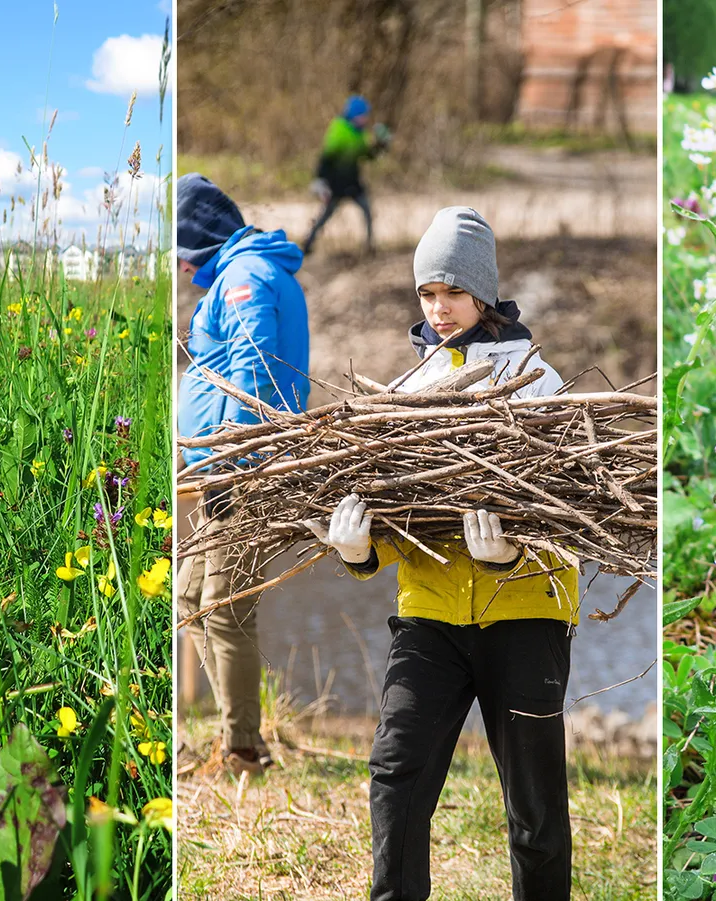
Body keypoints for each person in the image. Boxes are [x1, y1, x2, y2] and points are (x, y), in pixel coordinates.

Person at [305, 207, 576, 901]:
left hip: (526, 616)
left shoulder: (538, 385)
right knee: (396, 776)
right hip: (429, 617)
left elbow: (576, 520)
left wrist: (512, 554)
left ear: (483, 292)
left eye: (452, 291)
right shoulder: (406, 393)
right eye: (427, 293)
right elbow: (394, 522)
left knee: (535, 811)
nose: (439, 307)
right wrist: (358, 551)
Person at [175, 172, 310, 775]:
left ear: (199, 238)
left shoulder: (246, 278)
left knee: (225, 606)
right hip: (219, 470)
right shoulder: (235, 274)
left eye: (179, 252)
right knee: (188, 598)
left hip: (245, 468)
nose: (177, 268)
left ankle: (242, 749)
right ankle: (233, 735)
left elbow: (255, 369)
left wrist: (231, 459)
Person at [304, 93, 388, 256]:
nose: (366, 119)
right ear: (354, 115)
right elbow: (326, 158)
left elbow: (367, 155)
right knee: (325, 216)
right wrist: (320, 180)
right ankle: (308, 244)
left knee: (367, 211)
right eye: (363, 115)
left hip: (353, 182)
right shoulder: (339, 131)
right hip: (336, 184)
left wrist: (380, 145)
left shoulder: (360, 133)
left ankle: (370, 247)